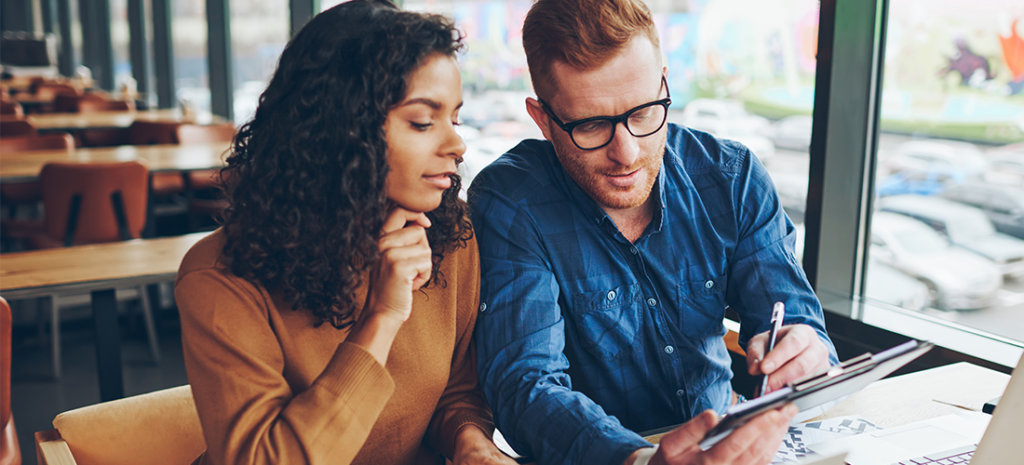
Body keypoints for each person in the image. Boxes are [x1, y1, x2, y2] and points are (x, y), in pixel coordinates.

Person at [467, 0, 839, 464]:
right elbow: (525, 387)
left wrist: (806, 353)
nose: (626, 153)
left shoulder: (731, 177)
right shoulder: (512, 202)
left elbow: (799, 323)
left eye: (643, 112)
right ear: (543, 119)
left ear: (664, 82)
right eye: (592, 125)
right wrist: (642, 460)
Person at [175, 2, 517, 464]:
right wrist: (380, 317)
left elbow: (456, 391)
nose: (457, 144)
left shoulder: (449, 234)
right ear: (342, 129)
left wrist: (470, 442)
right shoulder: (219, 278)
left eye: (453, 118)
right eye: (422, 121)